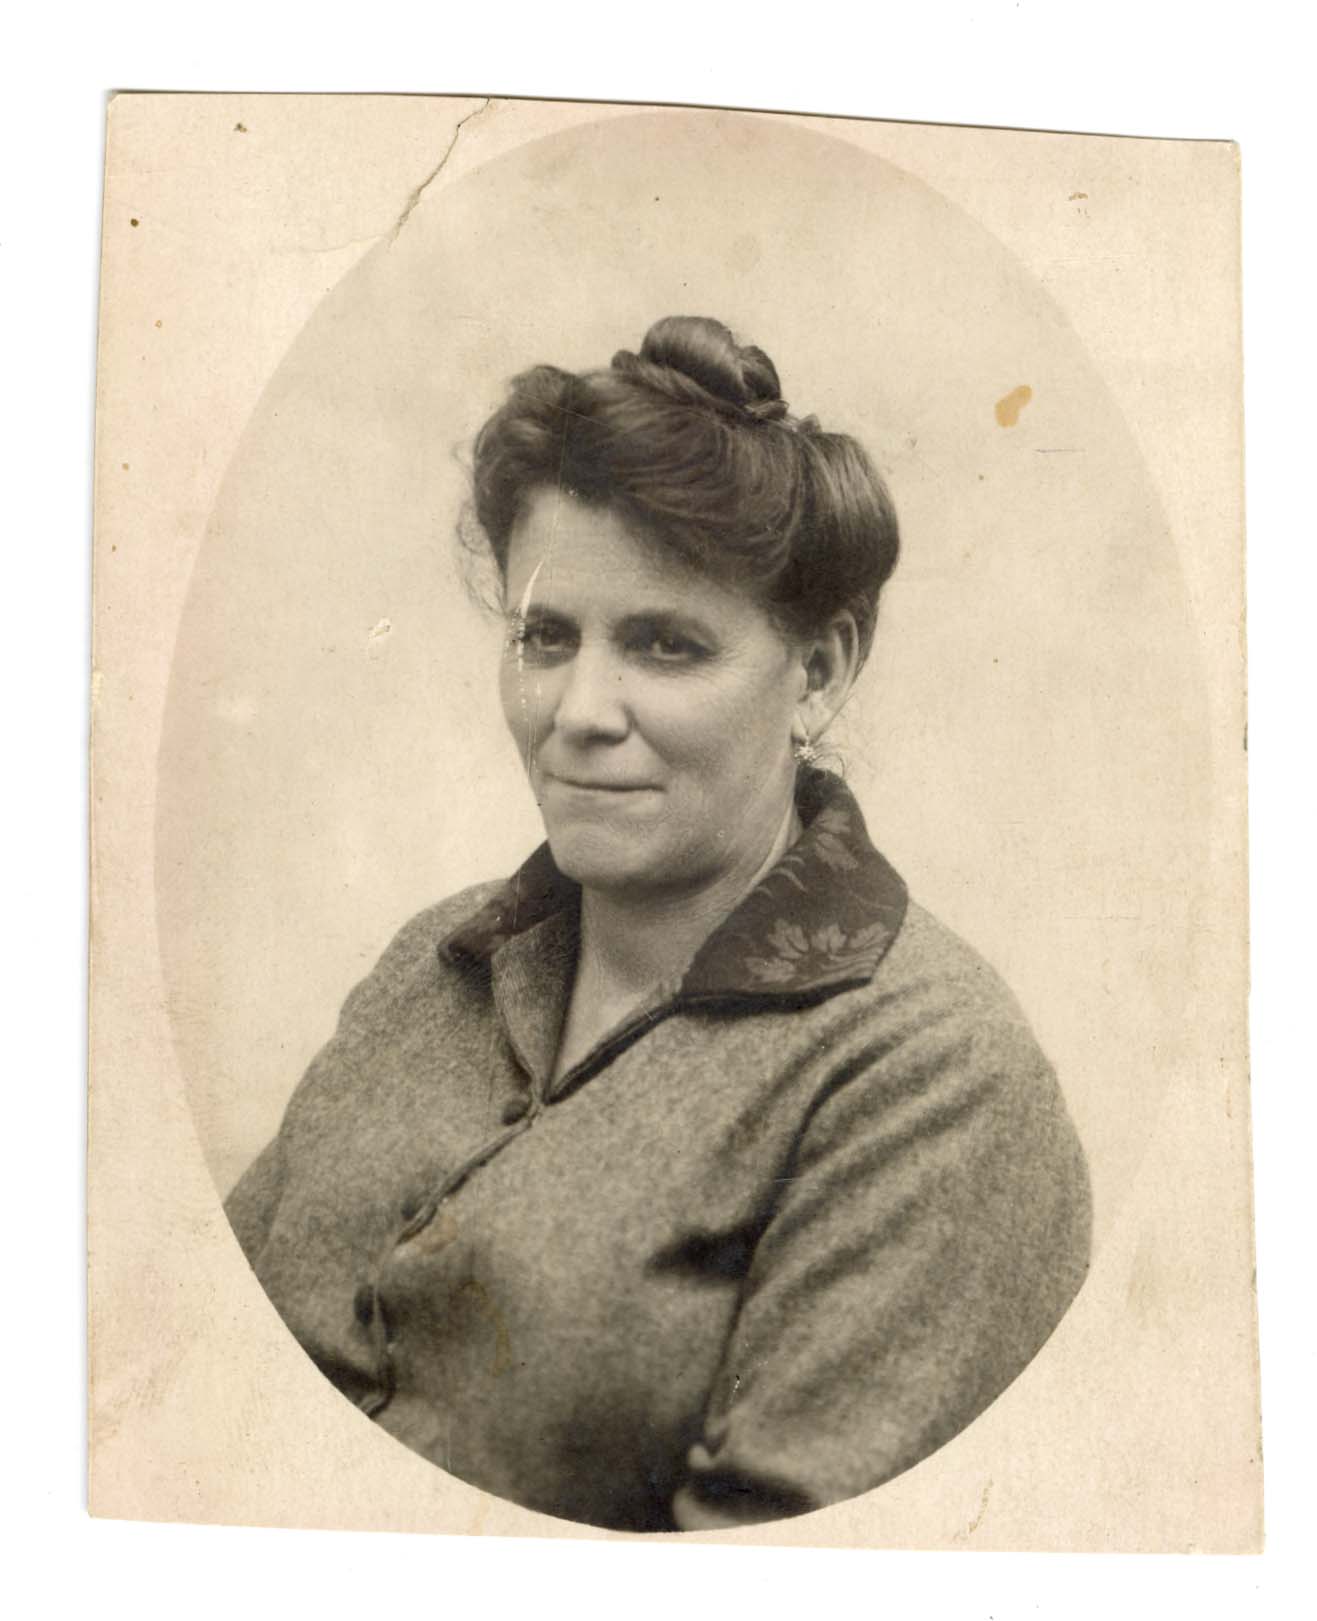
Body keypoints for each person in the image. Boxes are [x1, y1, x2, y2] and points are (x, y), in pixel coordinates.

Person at [225, 315, 1091, 1532]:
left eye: (665, 646)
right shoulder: (435, 963)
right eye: (546, 636)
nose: (580, 710)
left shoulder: (932, 1077)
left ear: (820, 671)